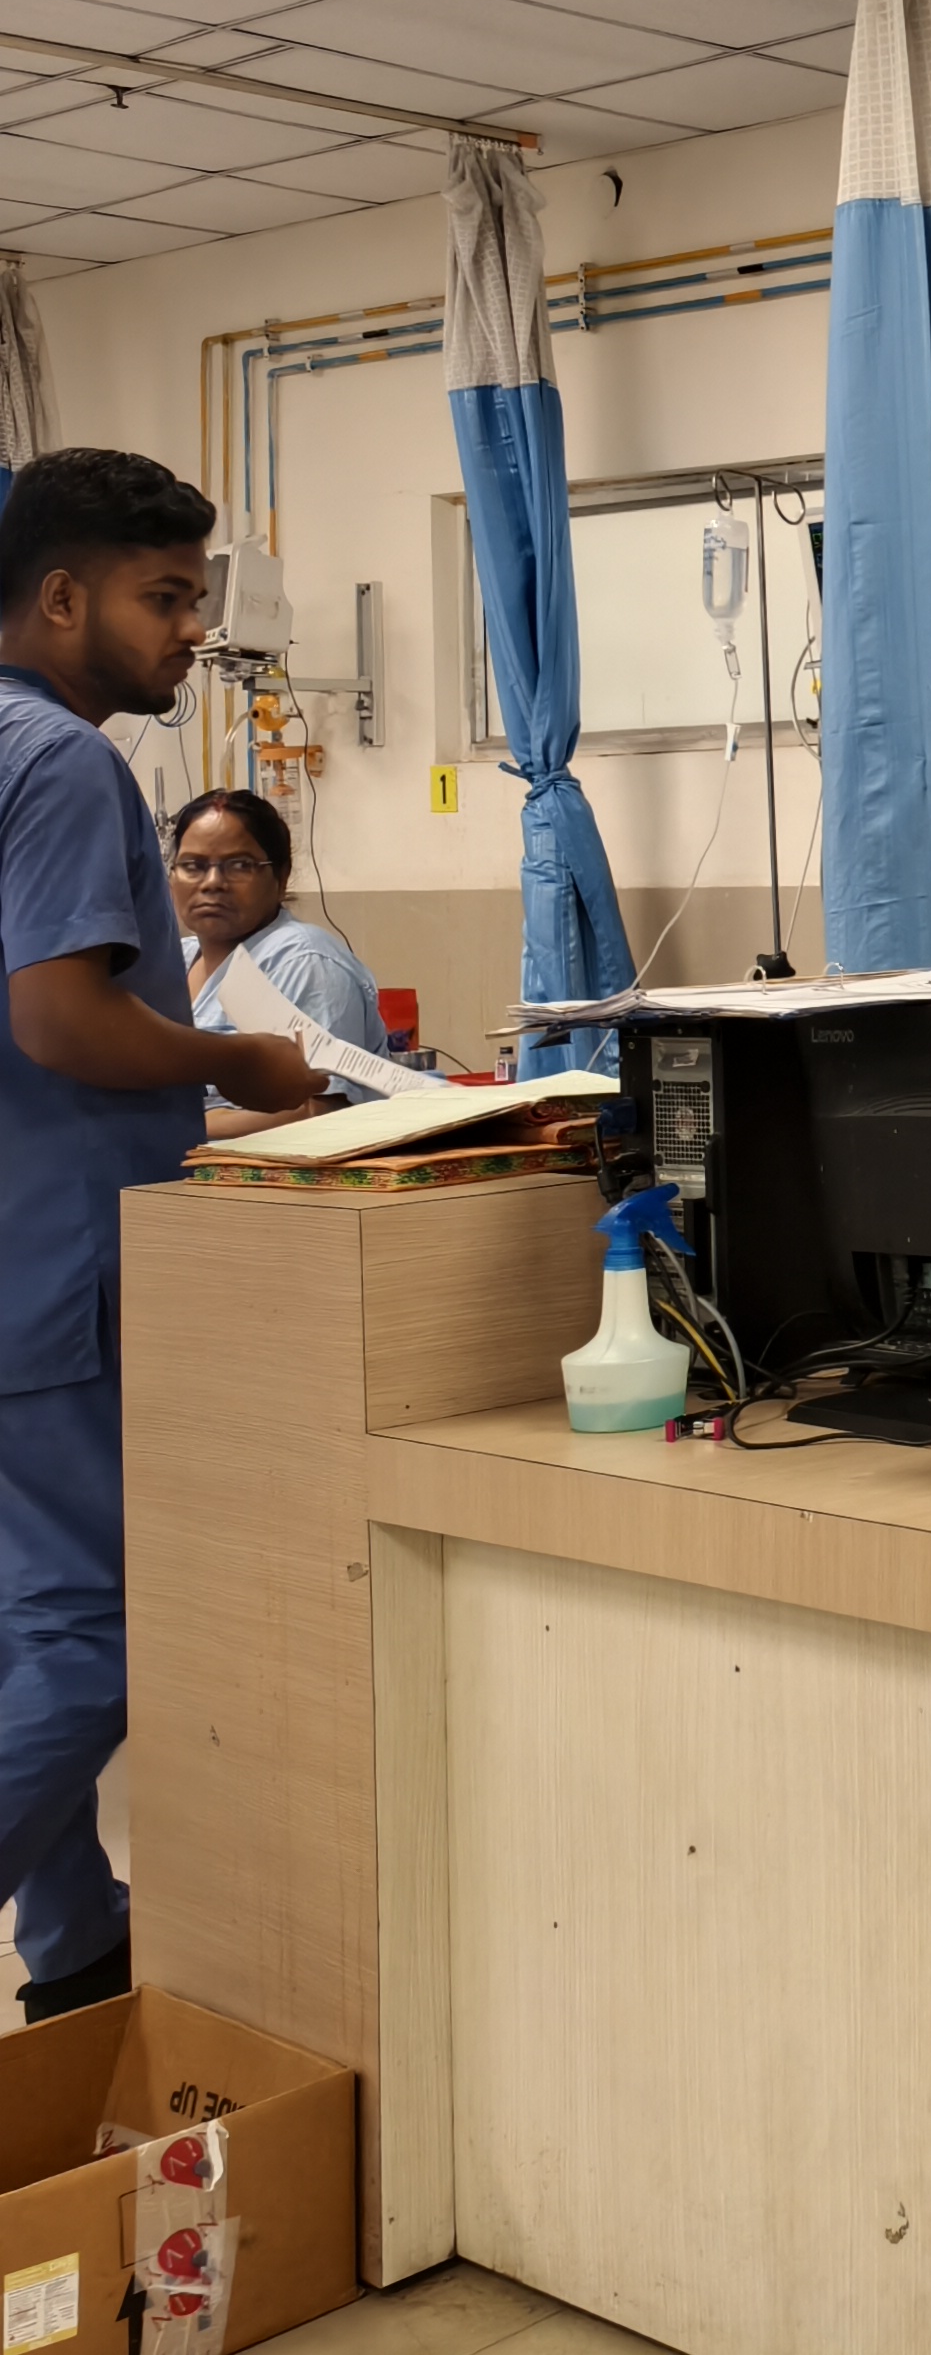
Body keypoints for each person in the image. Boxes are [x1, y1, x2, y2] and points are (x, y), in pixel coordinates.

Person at [0, 450, 312, 2022]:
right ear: (62, 596)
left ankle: (76, 1952)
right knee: (96, 1635)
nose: (195, 631)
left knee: (19, 1621)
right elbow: (62, 1021)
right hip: (53, 1262)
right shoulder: (60, 764)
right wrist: (232, 1060)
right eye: (166, 596)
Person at [169, 788, 382, 1139]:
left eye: (240, 865)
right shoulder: (171, 961)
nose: (212, 883)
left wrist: (169, 1132)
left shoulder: (306, 961)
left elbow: (318, 1110)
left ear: (281, 877)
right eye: (193, 866)